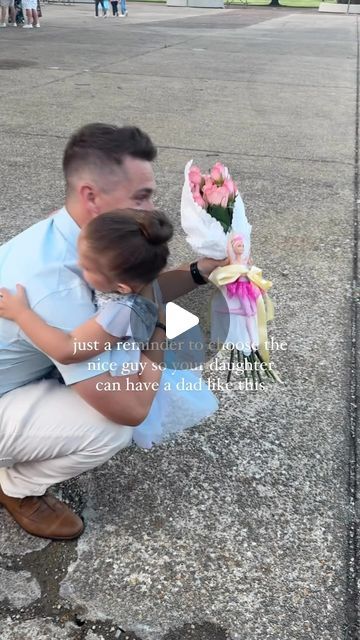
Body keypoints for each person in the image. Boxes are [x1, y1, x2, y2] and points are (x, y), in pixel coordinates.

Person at [0, 122, 227, 541]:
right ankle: (17, 487)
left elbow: (136, 288)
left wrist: (201, 271)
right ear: (92, 196)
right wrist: (159, 328)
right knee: (110, 428)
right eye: (142, 196)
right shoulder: (58, 287)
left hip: (17, 371)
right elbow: (129, 409)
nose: (152, 206)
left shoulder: (79, 237)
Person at [0, 209, 218, 449]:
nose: (76, 265)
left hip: (124, 379)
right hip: (139, 355)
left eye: (87, 266)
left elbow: (67, 349)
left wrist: (21, 314)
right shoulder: (137, 289)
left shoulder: (121, 312)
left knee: (106, 427)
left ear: (122, 287)